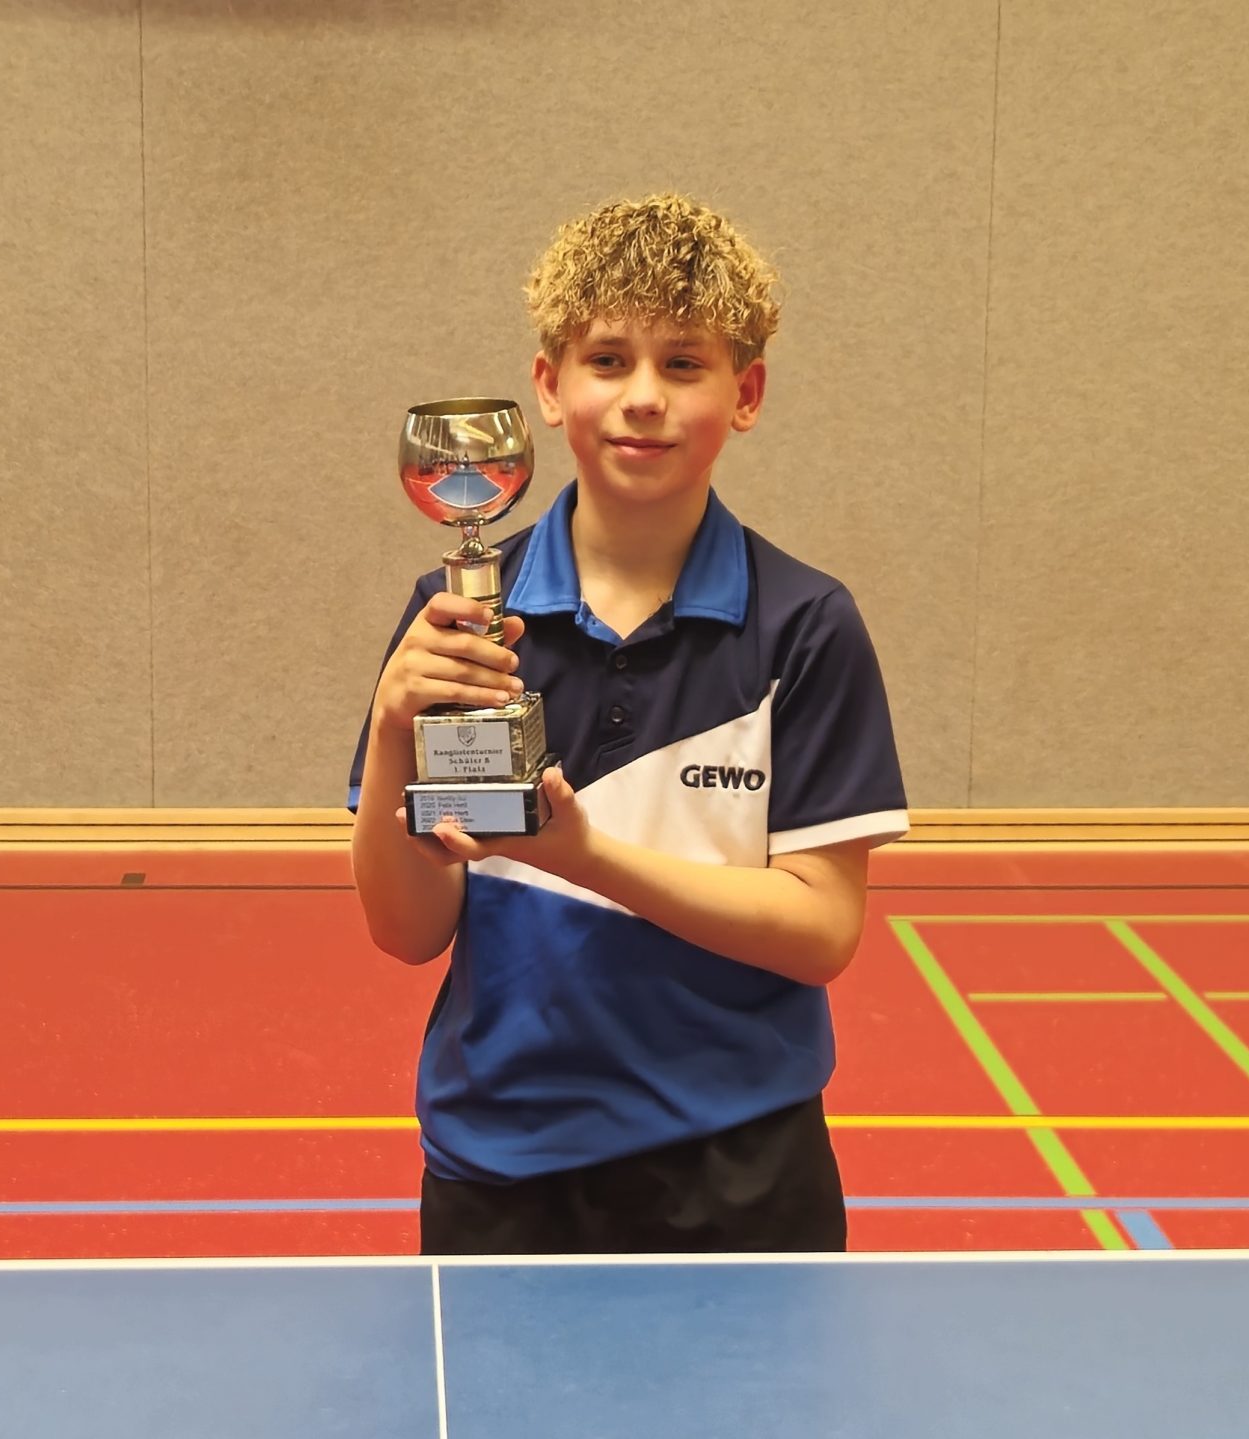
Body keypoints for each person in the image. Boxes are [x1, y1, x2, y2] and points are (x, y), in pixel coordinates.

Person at [347, 192, 909, 1254]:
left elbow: (823, 930)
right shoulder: (457, 619)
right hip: (502, 1159)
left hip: (742, 1166)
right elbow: (406, 929)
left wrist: (584, 855)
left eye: (683, 363)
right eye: (607, 360)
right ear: (549, 387)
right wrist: (389, 736)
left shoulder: (803, 626)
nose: (642, 397)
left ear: (744, 393)